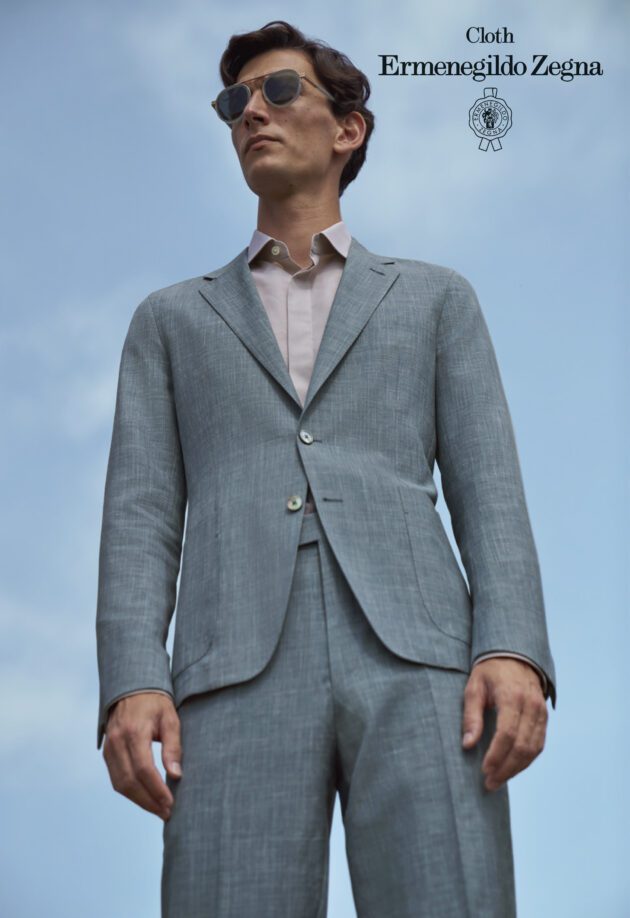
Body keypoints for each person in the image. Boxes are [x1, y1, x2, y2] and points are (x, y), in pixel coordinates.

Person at [96, 19, 557, 917]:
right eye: (234, 102)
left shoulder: (435, 298)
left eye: (277, 91)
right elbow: (140, 514)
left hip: (423, 662)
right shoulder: (169, 321)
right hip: (231, 671)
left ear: (347, 130)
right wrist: (132, 679)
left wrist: (513, 650)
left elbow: (488, 488)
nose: (249, 114)